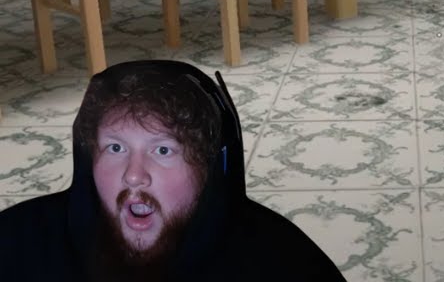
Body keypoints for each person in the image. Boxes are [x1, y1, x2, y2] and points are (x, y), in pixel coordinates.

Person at [0, 60, 345, 281]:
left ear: (210, 170)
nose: (134, 175)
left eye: (163, 150)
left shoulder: (284, 263)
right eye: (116, 148)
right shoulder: (17, 244)